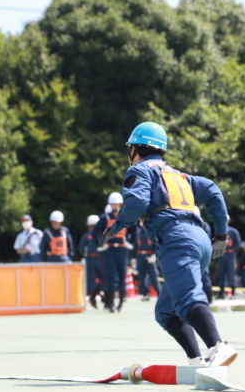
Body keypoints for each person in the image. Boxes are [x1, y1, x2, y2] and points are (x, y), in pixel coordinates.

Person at [100, 121, 237, 366]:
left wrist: (116, 227)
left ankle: (218, 346)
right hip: (200, 239)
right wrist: (221, 235)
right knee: (166, 311)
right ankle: (196, 361)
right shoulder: (178, 175)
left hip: (177, 240)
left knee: (187, 299)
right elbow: (214, 192)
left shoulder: (140, 170)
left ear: (135, 149)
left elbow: (137, 204)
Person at [92, 192, 135, 313]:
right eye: (113, 203)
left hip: (122, 249)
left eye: (117, 203)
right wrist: (100, 245)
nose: (115, 205)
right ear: (110, 204)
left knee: (122, 277)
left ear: (120, 204)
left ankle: (120, 304)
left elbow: (134, 231)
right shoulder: (104, 218)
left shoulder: (125, 217)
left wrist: (130, 243)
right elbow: (94, 233)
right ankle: (110, 304)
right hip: (109, 250)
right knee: (111, 278)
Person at [78, 214, 103, 308]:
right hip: (101, 258)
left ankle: (92, 295)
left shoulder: (86, 236)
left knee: (91, 278)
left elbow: (81, 249)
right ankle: (101, 294)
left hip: (90, 259)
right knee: (103, 278)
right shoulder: (101, 235)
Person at [134, 220, 161, 301]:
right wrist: (134, 259)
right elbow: (135, 246)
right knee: (141, 276)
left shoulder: (152, 232)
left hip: (150, 256)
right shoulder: (137, 232)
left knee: (153, 276)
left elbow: (157, 245)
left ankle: (159, 293)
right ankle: (144, 294)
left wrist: (154, 255)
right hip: (139, 256)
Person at [216, 216, 241, 299]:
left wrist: (233, 253)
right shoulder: (218, 231)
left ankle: (233, 292)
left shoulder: (234, 232)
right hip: (222, 254)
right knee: (221, 273)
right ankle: (221, 293)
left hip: (231, 254)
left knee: (232, 273)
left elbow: (238, 244)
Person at [193, 206, 214, 304]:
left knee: (204, 275)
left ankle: (209, 297)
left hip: (201, 253)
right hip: (190, 253)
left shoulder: (204, 225)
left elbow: (206, 240)